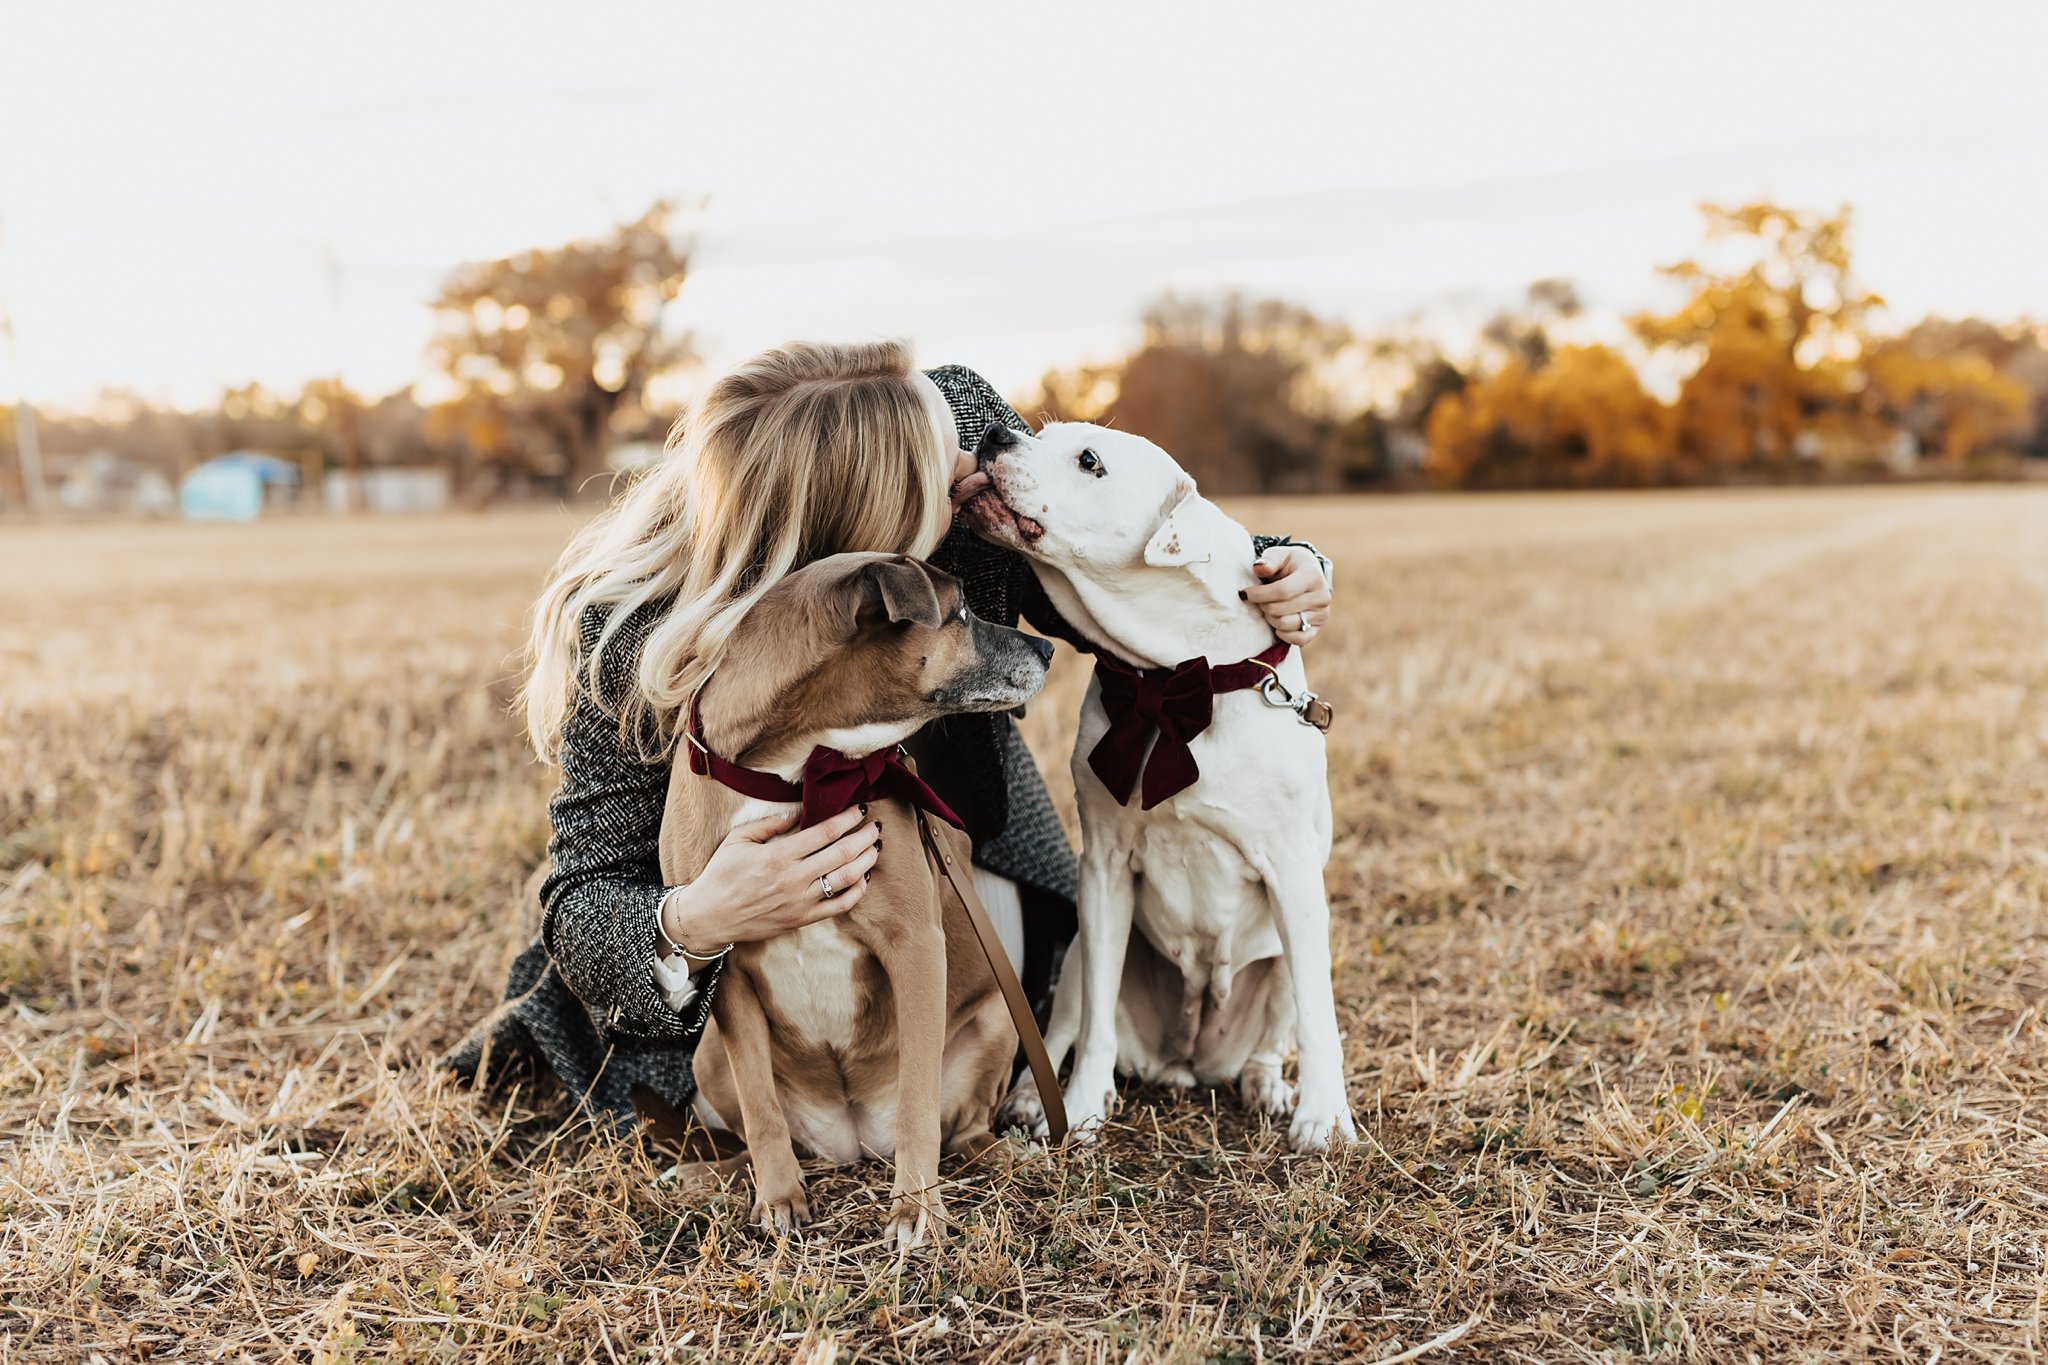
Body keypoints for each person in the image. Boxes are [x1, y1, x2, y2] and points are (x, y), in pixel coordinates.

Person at [444, 341, 1335, 1133]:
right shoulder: (634, 626)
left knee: (969, 1021)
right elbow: (586, 890)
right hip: (732, 932)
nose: (979, 468)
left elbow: (1121, 519)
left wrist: (1283, 563)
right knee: (760, 1099)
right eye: (948, 487)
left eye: (963, 444)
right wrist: (703, 915)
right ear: (872, 543)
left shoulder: (962, 432)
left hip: (954, 845)